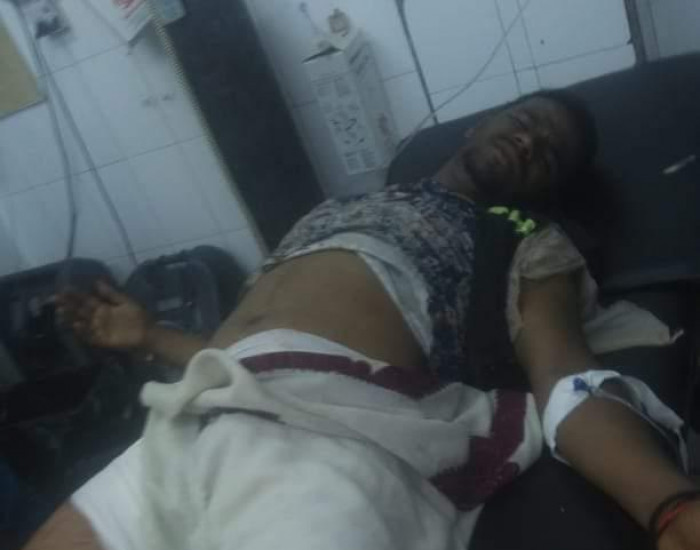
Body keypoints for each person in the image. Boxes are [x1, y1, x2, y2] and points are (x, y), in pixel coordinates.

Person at [25, 91, 700, 550]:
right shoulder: (333, 210)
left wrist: (668, 504)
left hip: (326, 442)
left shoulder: (524, 237)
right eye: (524, 121)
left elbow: (563, 377)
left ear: (545, 189)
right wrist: (148, 335)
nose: (528, 140)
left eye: (548, 152)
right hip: (190, 423)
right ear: (475, 126)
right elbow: (257, 359)